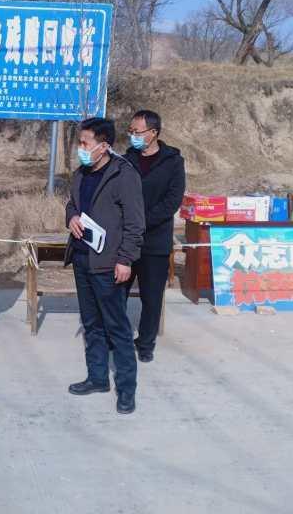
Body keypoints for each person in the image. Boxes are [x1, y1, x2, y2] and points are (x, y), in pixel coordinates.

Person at [65, 117, 145, 414]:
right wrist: (71, 217)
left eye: (85, 143)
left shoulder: (123, 175)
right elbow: (72, 204)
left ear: (103, 146)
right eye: (80, 142)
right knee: (91, 324)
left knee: (117, 328)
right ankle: (97, 378)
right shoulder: (80, 174)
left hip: (109, 264)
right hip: (82, 258)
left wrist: (125, 259)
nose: (80, 148)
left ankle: (126, 390)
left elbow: (136, 223)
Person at [124, 109, 186, 362]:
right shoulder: (127, 159)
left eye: (137, 132)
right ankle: (117, 337)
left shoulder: (173, 162)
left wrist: (143, 221)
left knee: (151, 297)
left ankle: (146, 343)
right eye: (130, 131)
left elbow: (172, 201)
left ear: (153, 133)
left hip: (155, 240)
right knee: (117, 294)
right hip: (126, 240)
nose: (133, 136)